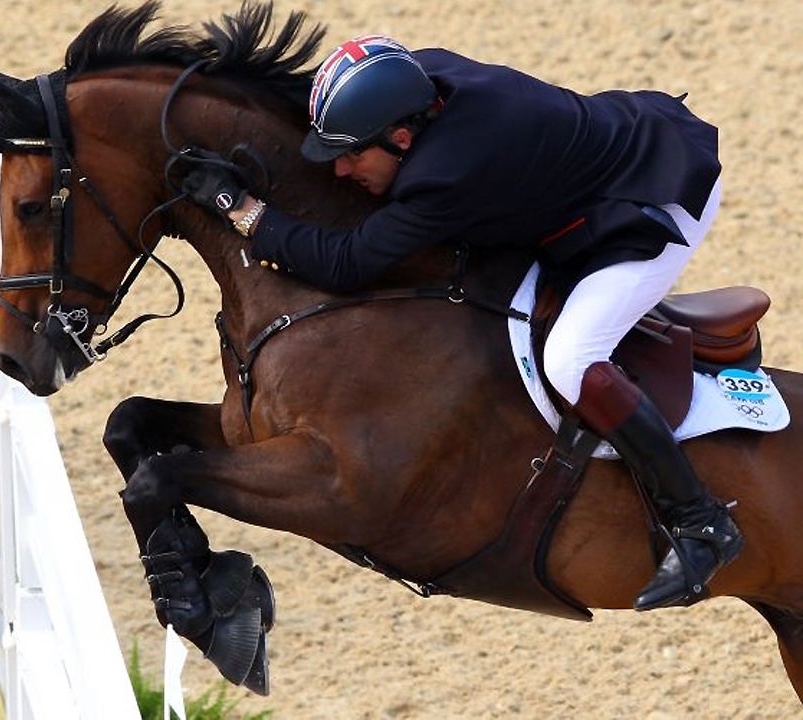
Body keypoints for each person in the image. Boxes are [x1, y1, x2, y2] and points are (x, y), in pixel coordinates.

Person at [180, 35, 743, 611]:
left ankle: (699, 521)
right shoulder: (410, 86)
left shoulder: (450, 168)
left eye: (351, 155)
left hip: (656, 198)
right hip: (602, 158)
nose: (342, 169)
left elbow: (348, 263)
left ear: (402, 138)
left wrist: (240, 210)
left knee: (572, 358)